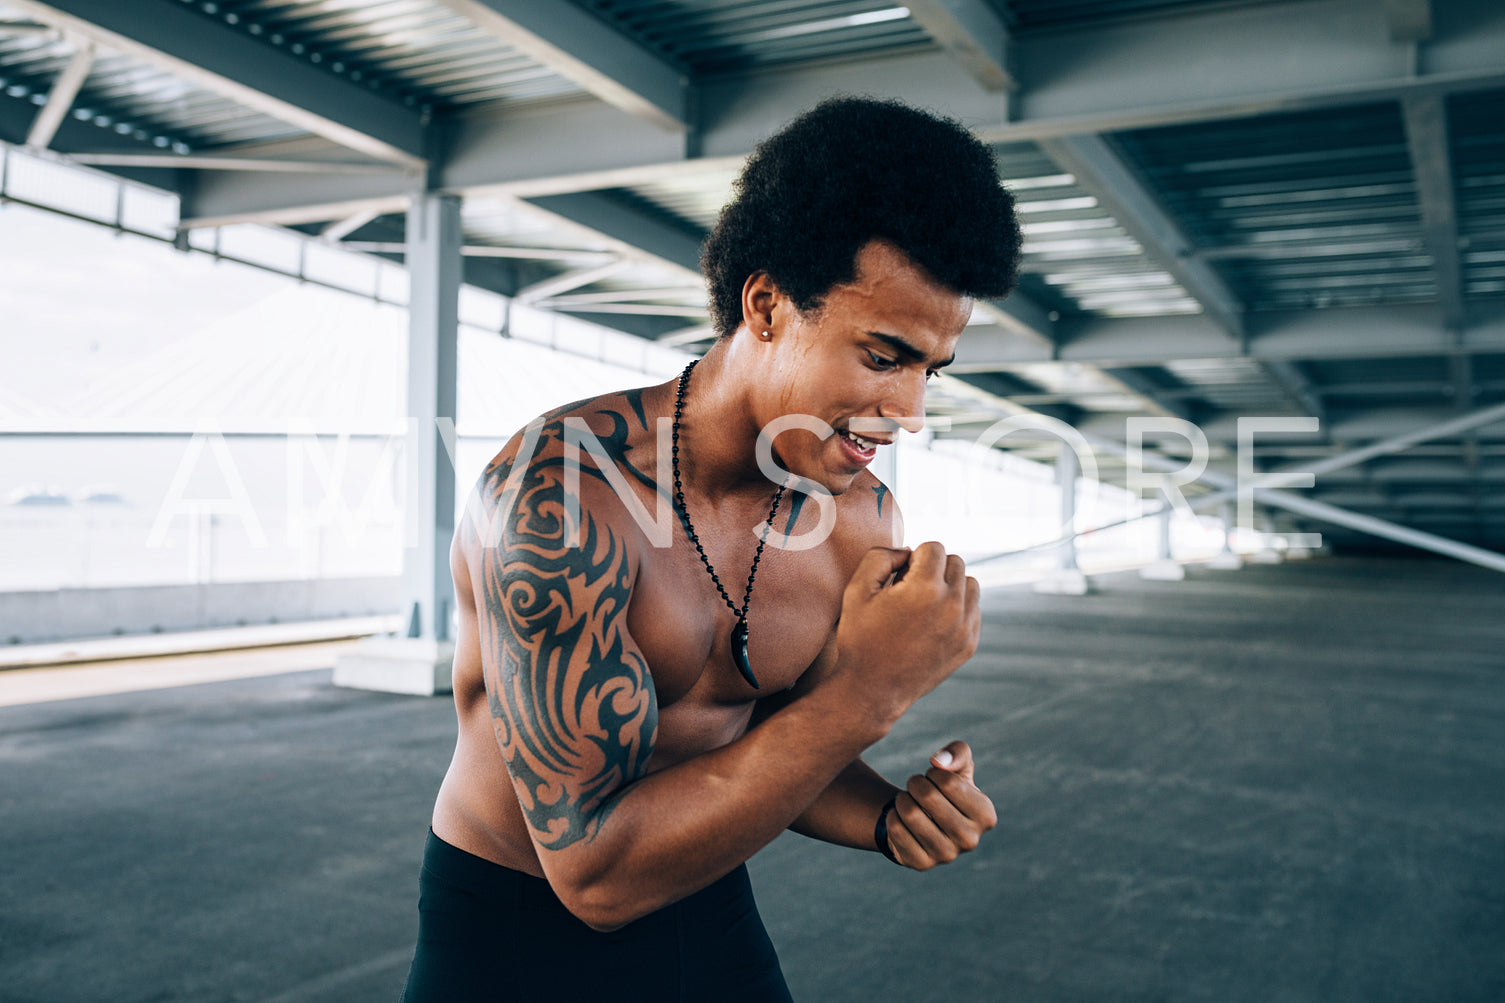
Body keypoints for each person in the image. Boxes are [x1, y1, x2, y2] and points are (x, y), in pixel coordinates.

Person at [401, 96, 1022, 1002]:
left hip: (709, 909)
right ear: (765, 304)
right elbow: (595, 877)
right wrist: (871, 691)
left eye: (930, 370)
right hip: (513, 936)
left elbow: (778, 747)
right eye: (883, 356)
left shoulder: (854, 516)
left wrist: (885, 815)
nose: (911, 413)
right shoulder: (562, 499)